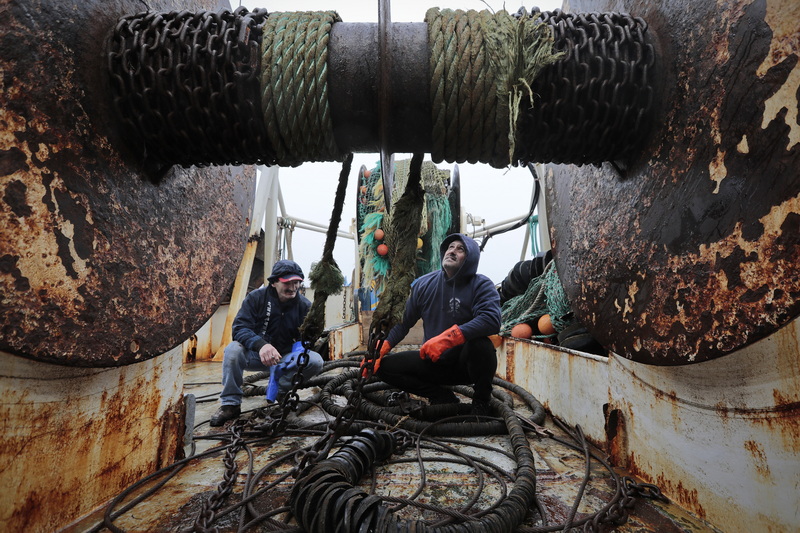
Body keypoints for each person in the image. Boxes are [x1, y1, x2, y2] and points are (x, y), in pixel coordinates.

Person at [367, 233, 502, 415]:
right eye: (450, 247)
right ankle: (440, 395)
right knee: (384, 368)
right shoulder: (423, 285)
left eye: (460, 249)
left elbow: (491, 319)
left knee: (482, 346)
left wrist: (448, 338)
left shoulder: (481, 285)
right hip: (433, 362)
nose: (452, 251)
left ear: (470, 258)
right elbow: (403, 323)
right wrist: (383, 347)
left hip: (465, 366)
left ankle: (481, 403)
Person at [210, 259, 324, 426]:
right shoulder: (255, 298)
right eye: (287, 283)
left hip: (285, 358)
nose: (293, 288)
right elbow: (239, 328)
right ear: (274, 282)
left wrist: (301, 347)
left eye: (297, 283)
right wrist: (261, 345)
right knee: (233, 350)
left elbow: (307, 338)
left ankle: (281, 392)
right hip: (256, 355)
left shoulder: (304, 306)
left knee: (315, 361)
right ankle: (230, 404)